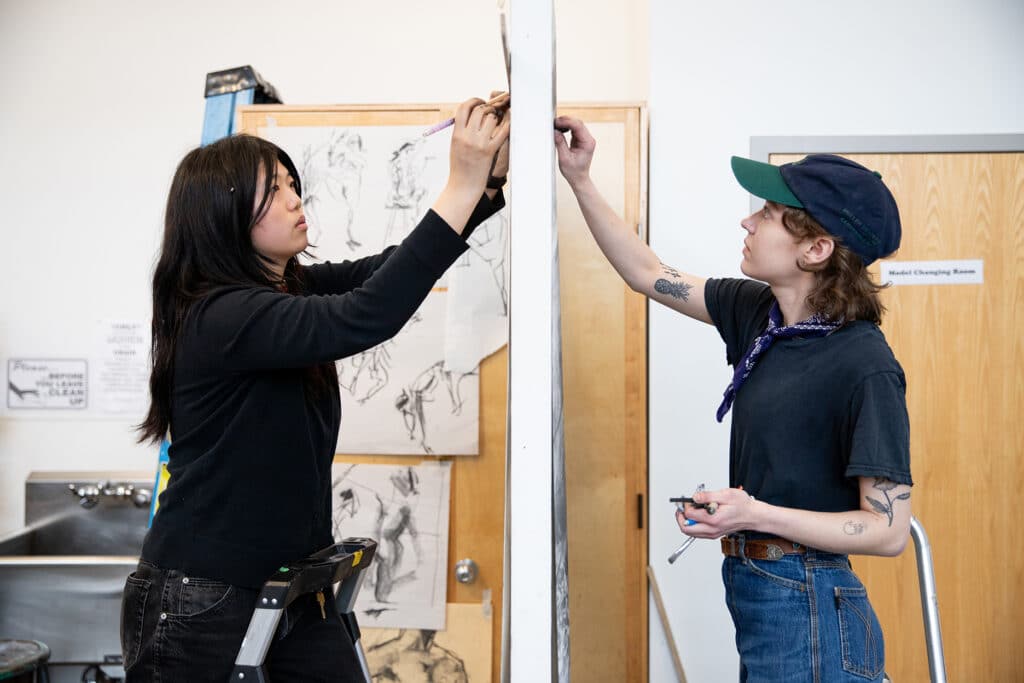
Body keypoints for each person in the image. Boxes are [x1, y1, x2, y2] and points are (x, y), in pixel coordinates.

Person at [121, 95, 510, 682]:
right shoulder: (219, 315)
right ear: (223, 216)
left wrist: (482, 188)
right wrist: (459, 183)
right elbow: (366, 314)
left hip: (288, 583)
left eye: (290, 183)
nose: (295, 198)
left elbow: (388, 271)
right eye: (274, 190)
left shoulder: (286, 291)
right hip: (200, 594)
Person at [555, 116, 912, 682]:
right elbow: (647, 273)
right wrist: (579, 179)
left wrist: (752, 513)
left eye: (768, 215)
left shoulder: (865, 364)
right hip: (763, 592)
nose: (747, 220)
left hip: (810, 605)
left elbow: (888, 531)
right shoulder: (759, 314)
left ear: (817, 249)